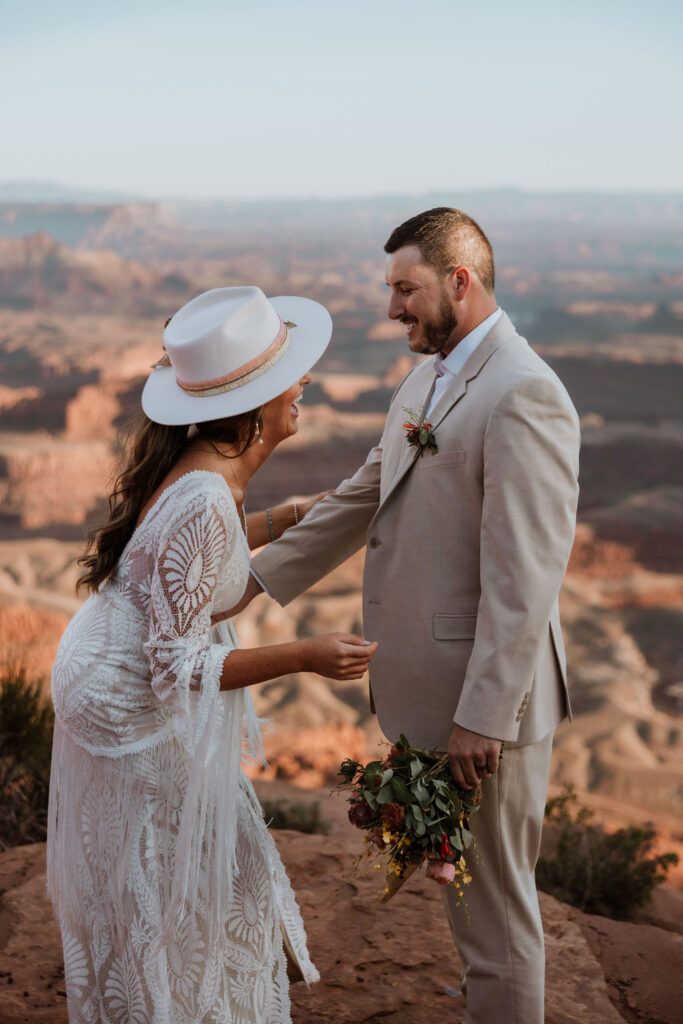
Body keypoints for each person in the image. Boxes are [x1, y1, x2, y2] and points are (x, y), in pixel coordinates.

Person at [235, 210, 580, 1024]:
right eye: (390, 289)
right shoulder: (428, 378)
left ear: (458, 281)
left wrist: (482, 719)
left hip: (484, 710)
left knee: (497, 921)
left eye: (404, 289)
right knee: (470, 912)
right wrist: (246, 580)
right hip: (431, 693)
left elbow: (524, 580)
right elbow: (363, 493)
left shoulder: (522, 391)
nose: (391, 308)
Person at [47, 285, 377, 1024]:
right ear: (256, 407)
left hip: (111, 661)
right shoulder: (202, 492)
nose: (306, 384)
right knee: (191, 865)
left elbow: (189, 567)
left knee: (185, 858)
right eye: (292, 375)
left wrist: (284, 518)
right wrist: (305, 655)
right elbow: (181, 666)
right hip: (121, 692)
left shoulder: (206, 463)